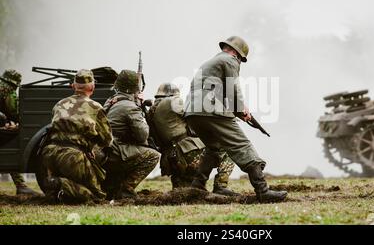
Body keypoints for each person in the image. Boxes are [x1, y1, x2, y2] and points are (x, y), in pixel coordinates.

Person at [184, 36, 288, 202]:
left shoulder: (211, 62)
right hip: (209, 109)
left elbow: (217, 90)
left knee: (213, 147)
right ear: (237, 54)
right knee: (242, 145)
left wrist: (239, 110)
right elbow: (233, 87)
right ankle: (263, 190)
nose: (239, 62)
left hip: (192, 112)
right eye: (240, 59)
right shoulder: (230, 60)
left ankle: (197, 186)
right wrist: (241, 110)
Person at [148, 82, 238, 196]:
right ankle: (220, 186)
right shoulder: (172, 101)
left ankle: (180, 184)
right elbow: (196, 112)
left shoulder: (153, 110)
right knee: (228, 150)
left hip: (170, 160)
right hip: (186, 153)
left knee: (185, 194)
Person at [40, 69, 113, 203]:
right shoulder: (95, 107)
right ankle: (61, 184)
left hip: (49, 153)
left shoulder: (59, 104)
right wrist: (92, 147)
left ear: (73, 86)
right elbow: (107, 139)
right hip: (73, 157)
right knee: (98, 198)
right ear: (92, 87)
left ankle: (58, 189)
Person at [102, 70, 160, 199]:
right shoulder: (130, 107)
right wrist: (140, 110)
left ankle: (112, 188)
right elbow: (143, 135)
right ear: (135, 88)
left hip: (106, 149)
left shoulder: (111, 101)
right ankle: (126, 190)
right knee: (153, 156)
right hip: (116, 150)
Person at [0, 69, 40, 195]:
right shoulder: (8, 91)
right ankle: (21, 185)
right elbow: (13, 112)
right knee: (14, 139)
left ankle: (21, 185)